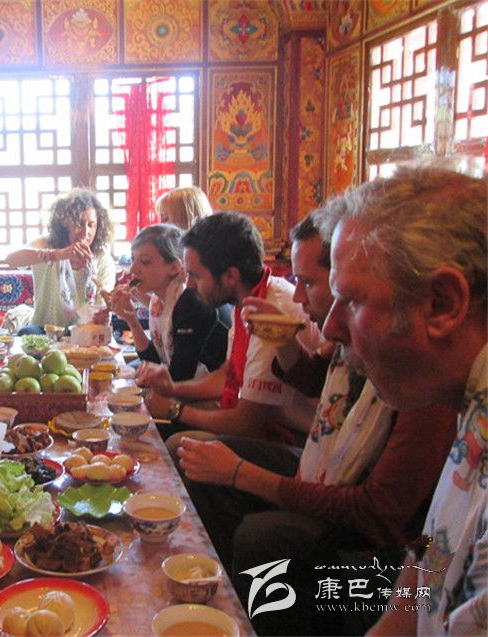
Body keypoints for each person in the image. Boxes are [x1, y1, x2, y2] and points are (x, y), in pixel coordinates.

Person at [175, 209, 457, 635]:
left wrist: (241, 474)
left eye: (310, 283)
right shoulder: (358, 338)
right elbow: (315, 378)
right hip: (329, 466)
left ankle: (261, 611)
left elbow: (377, 516)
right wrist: (282, 341)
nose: (301, 298)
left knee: (263, 536)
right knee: (195, 455)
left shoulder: (425, 378)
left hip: (381, 551)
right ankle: (233, 592)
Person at [316, 166, 486, 636]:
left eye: (352, 300)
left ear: (442, 304)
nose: (330, 327)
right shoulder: (470, 405)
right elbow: (429, 567)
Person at [145, 212, 323, 443]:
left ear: (230, 276)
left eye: (196, 276)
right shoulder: (247, 300)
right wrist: (172, 389)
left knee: (176, 443)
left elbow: (246, 424)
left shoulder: (271, 312)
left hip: (293, 438)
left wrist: (174, 410)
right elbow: (228, 375)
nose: (190, 285)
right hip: (265, 423)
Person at [105, 223, 228, 387]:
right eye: (133, 259)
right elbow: (155, 364)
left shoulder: (191, 301)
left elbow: (178, 377)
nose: (133, 269)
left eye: (145, 261)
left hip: (214, 395)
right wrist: (132, 321)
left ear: (174, 267)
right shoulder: (159, 301)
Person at [5, 189, 116, 331]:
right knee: (28, 331)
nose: (85, 232)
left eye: (91, 225)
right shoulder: (47, 244)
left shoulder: (103, 259)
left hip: (83, 331)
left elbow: (102, 304)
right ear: (65, 224)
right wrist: (59, 254)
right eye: (79, 224)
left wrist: (103, 314)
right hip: (44, 330)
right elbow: (11, 259)